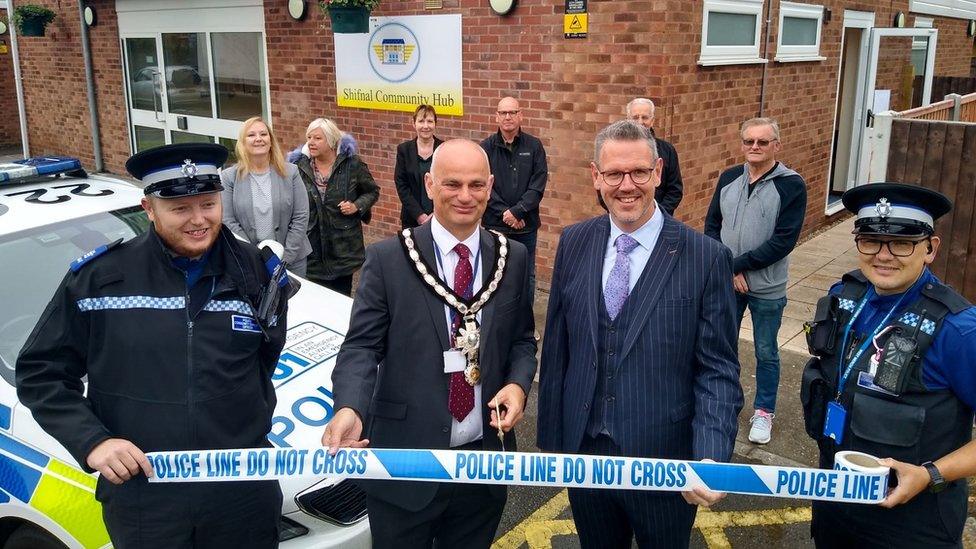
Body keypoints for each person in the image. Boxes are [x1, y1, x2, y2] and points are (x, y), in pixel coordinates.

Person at [16, 143, 289, 549]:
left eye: (208, 204)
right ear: (149, 208)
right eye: (180, 208)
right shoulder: (99, 280)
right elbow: (42, 374)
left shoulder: (257, 273)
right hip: (145, 498)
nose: (199, 220)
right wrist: (94, 441)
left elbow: (263, 358)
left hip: (242, 494)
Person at [321, 139, 537, 549]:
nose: (465, 196)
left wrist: (518, 385)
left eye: (476, 185)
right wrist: (350, 406)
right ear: (430, 184)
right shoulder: (388, 259)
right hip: (404, 468)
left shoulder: (514, 258)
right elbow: (361, 348)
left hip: (481, 469)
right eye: (452, 184)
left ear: (490, 187)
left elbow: (523, 340)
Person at [537, 120, 742, 549]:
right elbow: (558, 352)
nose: (626, 186)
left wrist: (709, 456)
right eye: (614, 174)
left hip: (665, 463)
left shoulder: (705, 257)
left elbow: (718, 370)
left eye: (639, 173)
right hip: (586, 458)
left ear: (659, 171)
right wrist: (551, 449)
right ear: (595, 176)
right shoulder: (574, 242)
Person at [802, 182, 976, 548]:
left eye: (901, 243)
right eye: (871, 240)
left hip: (911, 520)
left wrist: (931, 475)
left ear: (930, 249)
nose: (884, 255)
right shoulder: (844, 297)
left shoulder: (958, 329)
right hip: (836, 503)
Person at [704, 117, 807, 445]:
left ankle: (763, 412)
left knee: (766, 350)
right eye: (749, 141)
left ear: (777, 145)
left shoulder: (791, 185)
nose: (754, 147)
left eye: (762, 142)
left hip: (767, 286)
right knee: (722, 345)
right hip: (727, 281)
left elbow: (784, 240)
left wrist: (739, 266)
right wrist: (729, 270)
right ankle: (727, 401)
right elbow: (711, 225)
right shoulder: (730, 178)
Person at [292, 118, 379, 296]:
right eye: (309, 137)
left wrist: (356, 206)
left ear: (331, 141)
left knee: (340, 299)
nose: (311, 142)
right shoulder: (298, 167)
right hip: (312, 250)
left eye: (317, 138)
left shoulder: (352, 164)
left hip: (343, 249)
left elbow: (372, 191)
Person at [221, 116, 311, 275]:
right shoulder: (229, 177)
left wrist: (286, 256)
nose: (258, 139)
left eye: (263, 134)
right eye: (251, 135)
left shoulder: (291, 172)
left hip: (292, 259)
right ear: (242, 142)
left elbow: (301, 215)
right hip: (249, 261)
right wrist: (254, 256)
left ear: (270, 140)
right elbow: (228, 220)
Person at [480, 96, 548, 298]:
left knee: (526, 276)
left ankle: (525, 326)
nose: (508, 117)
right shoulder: (486, 148)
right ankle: (498, 325)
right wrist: (506, 214)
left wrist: (518, 212)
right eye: (503, 113)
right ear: (496, 117)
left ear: (521, 116)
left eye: (513, 112)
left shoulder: (534, 146)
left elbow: (538, 184)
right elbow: (484, 185)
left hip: (525, 226)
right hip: (495, 225)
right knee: (493, 276)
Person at [625, 97, 683, 215]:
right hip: (623, 221)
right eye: (635, 117)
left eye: (645, 117)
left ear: (652, 121)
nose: (640, 122)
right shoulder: (617, 150)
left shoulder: (667, 150)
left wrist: (656, 215)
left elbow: (675, 191)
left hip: (659, 221)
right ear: (628, 120)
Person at [394, 104, 443, 229]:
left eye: (430, 121)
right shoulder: (404, 150)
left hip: (440, 218)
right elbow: (401, 185)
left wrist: (436, 214)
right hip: (411, 218)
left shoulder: (444, 149)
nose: (425, 126)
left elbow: (448, 184)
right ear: (414, 123)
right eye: (421, 121)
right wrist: (419, 215)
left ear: (435, 124)